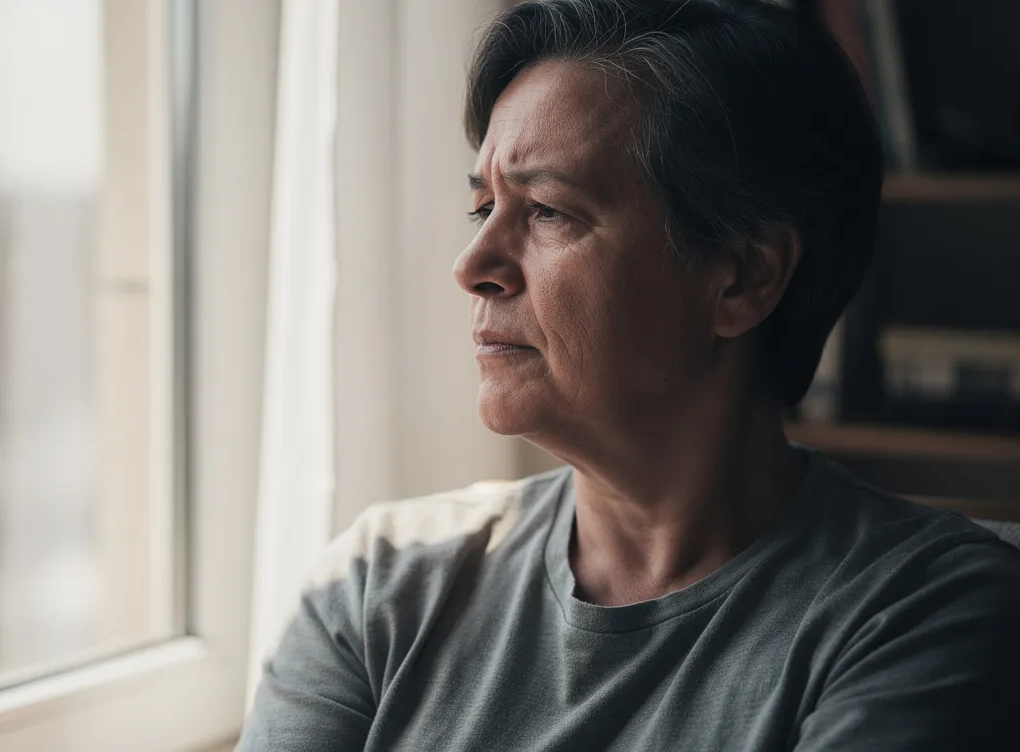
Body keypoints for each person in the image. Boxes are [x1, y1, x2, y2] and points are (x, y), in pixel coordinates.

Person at [238, 1, 1020, 749]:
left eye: (547, 210)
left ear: (742, 279)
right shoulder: (383, 583)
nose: (472, 265)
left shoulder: (924, 610)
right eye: (485, 209)